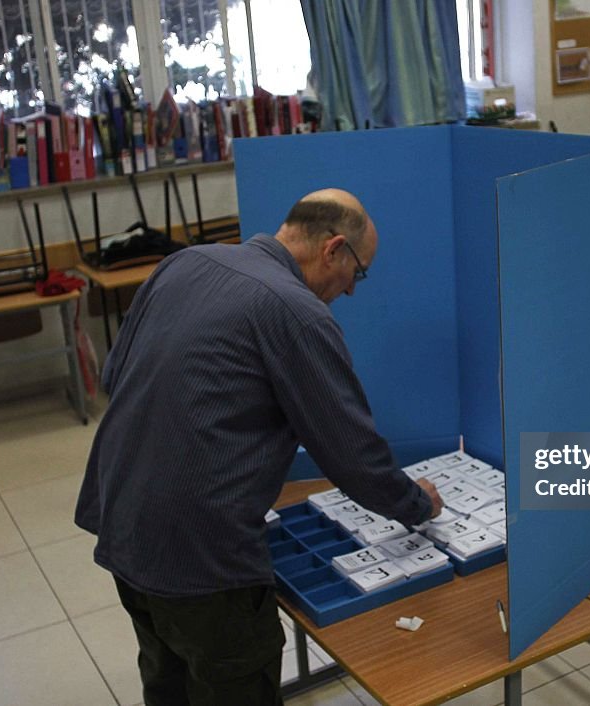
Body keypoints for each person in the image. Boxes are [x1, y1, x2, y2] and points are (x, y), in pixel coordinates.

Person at [75, 188, 444, 706]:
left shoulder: (183, 263)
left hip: (124, 528)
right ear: (333, 249)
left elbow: (116, 377)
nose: (353, 291)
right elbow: (351, 454)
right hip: (202, 558)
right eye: (358, 272)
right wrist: (416, 503)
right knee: (233, 680)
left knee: (168, 681)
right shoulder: (296, 313)